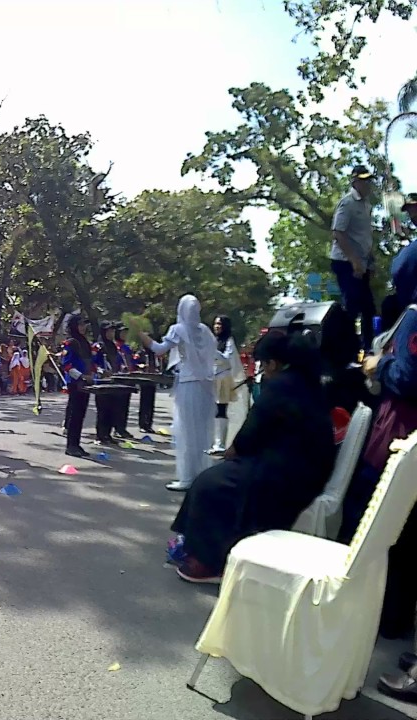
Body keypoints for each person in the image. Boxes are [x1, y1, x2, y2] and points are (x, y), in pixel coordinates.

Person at [170, 333, 334, 583]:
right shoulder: (306, 382)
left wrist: (231, 451)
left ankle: (209, 561)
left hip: (288, 473)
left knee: (211, 483)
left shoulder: (281, 385)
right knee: (219, 478)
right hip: (303, 468)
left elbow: (251, 434)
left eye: (262, 365)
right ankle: (203, 549)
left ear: (272, 364)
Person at [339, 240, 417, 639]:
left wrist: (378, 362)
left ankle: (375, 614)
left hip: (398, 434)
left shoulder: (414, 318)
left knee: (375, 522)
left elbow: (408, 378)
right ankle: (395, 618)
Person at [140, 295, 220, 492]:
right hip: (205, 387)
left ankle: (186, 478)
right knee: (202, 433)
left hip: (187, 384)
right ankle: (200, 474)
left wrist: (141, 334)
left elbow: (159, 350)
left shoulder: (178, 329)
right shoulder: (205, 331)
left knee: (186, 432)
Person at [331, 165, 378, 351]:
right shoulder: (347, 203)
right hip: (345, 262)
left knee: (368, 309)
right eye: (364, 180)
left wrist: (370, 260)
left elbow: (364, 235)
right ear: (355, 182)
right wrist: (354, 261)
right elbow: (338, 232)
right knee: (352, 306)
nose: (367, 184)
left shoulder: (367, 205)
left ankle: (368, 349)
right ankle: (346, 351)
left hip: (362, 262)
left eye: (369, 180)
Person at [61, 313, 95, 458]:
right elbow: (66, 365)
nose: (83, 327)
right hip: (75, 383)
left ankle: (77, 443)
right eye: (80, 324)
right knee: (75, 415)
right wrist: (81, 376)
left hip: (86, 382)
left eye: (84, 324)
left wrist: (98, 372)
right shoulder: (71, 343)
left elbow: (90, 363)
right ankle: (71, 445)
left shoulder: (85, 343)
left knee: (81, 414)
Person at [209, 315, 245, 454]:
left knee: (221, 410)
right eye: (215, 324)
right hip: (211, 378)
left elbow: (228, 359)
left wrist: (214, 352)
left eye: (219, 324)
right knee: (211, 411)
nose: (217, 326)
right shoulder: (212, 340)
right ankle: (211, 441)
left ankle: (220, 443)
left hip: (223, 378)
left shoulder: (229, 341)